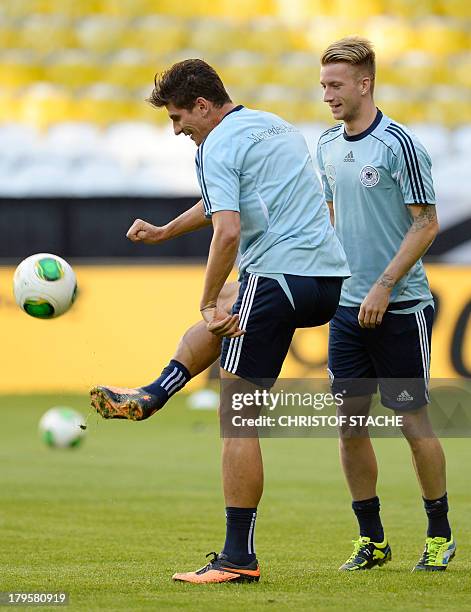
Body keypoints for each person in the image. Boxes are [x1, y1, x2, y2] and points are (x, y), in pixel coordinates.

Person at [90, 58, 350, 583]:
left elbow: (228, 231)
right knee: (232, 302)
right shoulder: (272, 126)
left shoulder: (215, 145)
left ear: (203, 107)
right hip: (326, 281)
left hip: (277, 277)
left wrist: (205, 300)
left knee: (237, 413)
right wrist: (165, 231)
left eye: (178, 118)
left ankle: (237, 558)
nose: (177, 129)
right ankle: (153, 393)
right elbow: (229, 206)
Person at [317, 36, 455, 572]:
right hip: (346, 314)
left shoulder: (399, 145)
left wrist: (385, 284)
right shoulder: (327, 145)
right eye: (324, 84)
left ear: (364, 84)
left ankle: (439, 534)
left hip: (400, 310)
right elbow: (329, 221)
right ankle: (372, 540)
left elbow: (427, 223)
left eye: (336, 84)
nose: (327, 93)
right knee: (349, 425)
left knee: (410, 420)